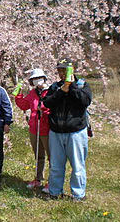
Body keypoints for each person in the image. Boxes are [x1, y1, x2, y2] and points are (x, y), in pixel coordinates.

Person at [43, 58, 92, 201]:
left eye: (64, 70)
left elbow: (85, 101)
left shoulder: (82, 85)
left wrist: (71, 88)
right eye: (59, 70)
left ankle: (78, 195)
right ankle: (55, 192)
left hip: (76, 132)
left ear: (72, 70)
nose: (62, 73)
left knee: (77, 166)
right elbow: (47, 103)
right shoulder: (54, 87)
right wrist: (61, 91)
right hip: (56, 133)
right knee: (56, 166)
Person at [15, 68, 50, 193]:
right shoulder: (33, 93)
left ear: (44, 78)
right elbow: (24, 105)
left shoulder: (51, 91)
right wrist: (18, 95)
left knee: (52, 156)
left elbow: (54, 107)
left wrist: (44, 109)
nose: (37, 81)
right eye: (34, 79)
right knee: (38, 155)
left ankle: (52, 182)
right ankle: (38, 178)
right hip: (35, 128)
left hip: (47, 128)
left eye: (39, 78)